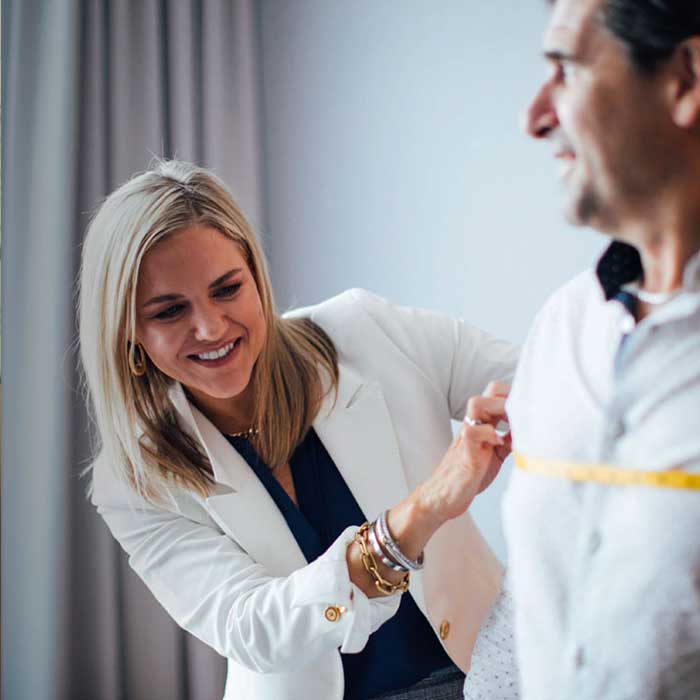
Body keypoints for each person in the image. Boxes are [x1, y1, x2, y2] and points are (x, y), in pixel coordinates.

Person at [79, 160, 520, 700]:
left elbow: (548, 383)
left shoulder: (367, 331)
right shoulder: (131, 482)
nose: (211, 327)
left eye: (227, 289)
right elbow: (254, 630)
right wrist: (423, 511)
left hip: (491, 676)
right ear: (130, 334)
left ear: (255, 276)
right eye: (170, 311)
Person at [476, 1, 700, 698]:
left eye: (566, 69)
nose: (534, 117)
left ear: (686, 77)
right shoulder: (564, 326)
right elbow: (532, 605)